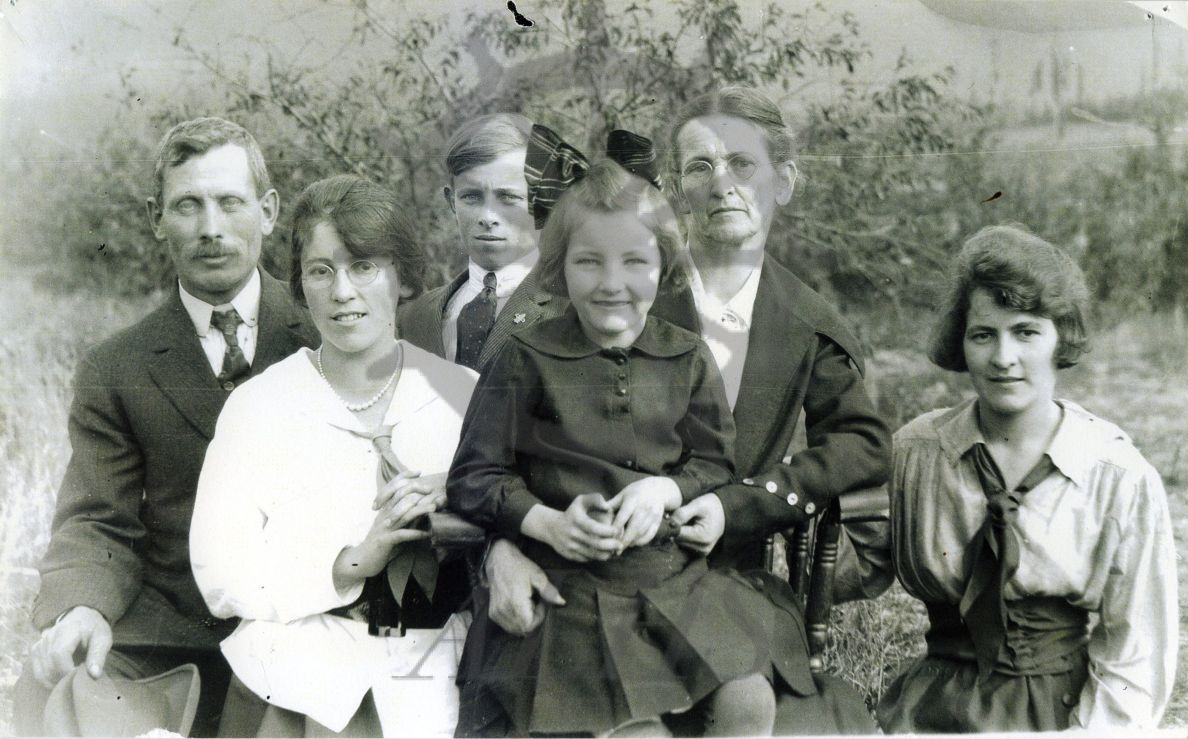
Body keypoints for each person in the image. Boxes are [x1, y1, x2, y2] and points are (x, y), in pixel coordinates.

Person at [462, 86, 892, 737]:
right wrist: (501, 547)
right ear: (672, 187)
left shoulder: (806, 321)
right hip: (578, 573)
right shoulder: (616, 282)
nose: (722, 184)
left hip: (724, 583)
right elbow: (499, 452)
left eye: (742, 164)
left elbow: (861, 442)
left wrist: (740, 503)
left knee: (748, 703)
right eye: (700, 167)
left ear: (786, 181)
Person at [15, 117, 318, 737]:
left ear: (267, 210)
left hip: (302, 625)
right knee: (63, 691)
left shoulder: (325, 336)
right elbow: (99, 515)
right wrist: (83, 606)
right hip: (166, 632)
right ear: (157, 217)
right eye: (188, 206)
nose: (211, 229)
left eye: (230, 203)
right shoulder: (117, 366)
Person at [190, 174, 479, 737]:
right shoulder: (260, 406)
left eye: (363, 267)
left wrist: (455, 498)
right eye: (321, 271)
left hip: (443, 668)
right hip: (304, 680)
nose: (342, 291)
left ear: (401, 276)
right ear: (301, 284)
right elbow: (219, 572)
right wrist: (349, 562)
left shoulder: (462, 392)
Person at [871, 224, 1178, 732]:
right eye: (983, 334)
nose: (1003, 358)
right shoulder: (916, 453)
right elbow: (853, 561)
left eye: (1026, 332)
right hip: (932, 707)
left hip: (1056, 713)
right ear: (961, 343)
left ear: (1061, 339)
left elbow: (1136, 653)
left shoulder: (1115, 476)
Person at [399, 113, 565, 370]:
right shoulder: (415, 317)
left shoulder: (574, 309)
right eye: (471, 197)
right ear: (451, 201)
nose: (488, 217)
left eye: (508, 197)